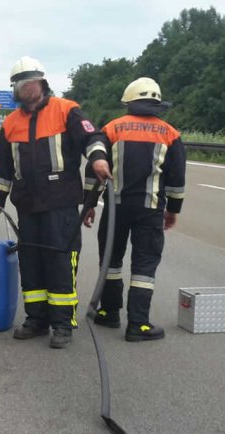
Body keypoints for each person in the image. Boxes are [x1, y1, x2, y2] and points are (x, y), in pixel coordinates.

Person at [0, 57, 111, 349]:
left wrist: (97, 157)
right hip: (27, 206)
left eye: (28, 81)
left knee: (59, 262)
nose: (23, 87)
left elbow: (92, 136)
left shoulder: (66, 110)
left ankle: (62, 324)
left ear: (41, 82)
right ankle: (36, 319)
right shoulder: (10, 123)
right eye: (18, 84)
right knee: (31, 263)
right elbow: (1, 171)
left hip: (61, 206)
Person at [83, 77, 186, 342]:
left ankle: (109, 312)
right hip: (150, 210)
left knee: (111, 260)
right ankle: (138, 324)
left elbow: (93, 170)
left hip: (116, 209)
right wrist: (173, 210)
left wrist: (90, 204)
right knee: (144, 266)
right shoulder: (170, 134)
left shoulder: (112, 129)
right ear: (157, 103)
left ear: (128, 101)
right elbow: (176, 180)